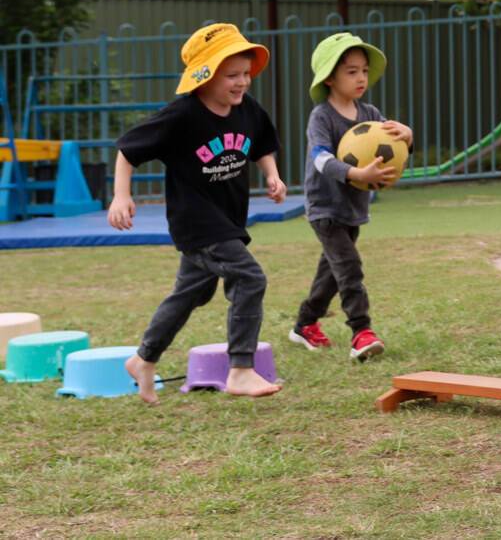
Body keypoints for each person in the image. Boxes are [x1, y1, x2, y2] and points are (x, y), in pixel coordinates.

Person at [108, 23, 286, 402]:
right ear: (203, 77)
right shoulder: (182, 115)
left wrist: (272, 175)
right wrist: (121, 196)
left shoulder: (247, 109)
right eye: (231, 76)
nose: (241, 83)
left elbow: (262, 145)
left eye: (245, 75)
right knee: (250, 277)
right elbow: (128, 150)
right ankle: (240, 369)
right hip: (197, 222)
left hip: (227, 220)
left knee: (189, 294)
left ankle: (143, 359)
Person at [289, 32, 412, 362]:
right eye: (351, 71)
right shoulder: (322, 116)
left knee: (331, 274)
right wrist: (356, 174)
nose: (361, 78)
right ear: (330, 77)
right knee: (349, 269)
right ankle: (361, 331)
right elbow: (319, 157)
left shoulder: (370, 113)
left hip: (353, 207)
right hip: (325, 208)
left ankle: (304, 324)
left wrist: (408, 136)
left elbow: (394, 146)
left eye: (364, 71)